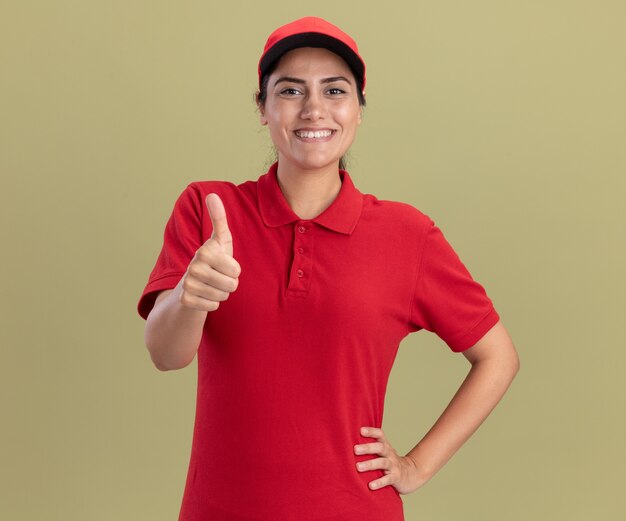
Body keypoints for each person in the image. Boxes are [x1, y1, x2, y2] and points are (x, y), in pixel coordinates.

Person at [137, 16, 520, 521]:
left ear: (359, 108)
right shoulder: (209, 209)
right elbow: (166, 355)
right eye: (290, 90)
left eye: (334, 90)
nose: (313, 109)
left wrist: (416, 466)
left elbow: (498, 357)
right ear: (263, 108)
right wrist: (192, 291)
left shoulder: (408, 235)